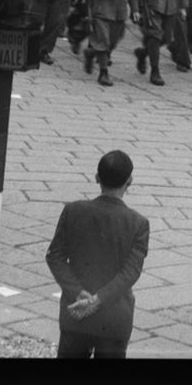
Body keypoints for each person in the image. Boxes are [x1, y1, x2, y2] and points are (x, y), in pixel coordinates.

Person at [47, 150, 151, 359]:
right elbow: (130, 273)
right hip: (114, 317)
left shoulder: (73, 211)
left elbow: (55, 256)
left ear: (97, 178)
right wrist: (98, 300)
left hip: (75, 313)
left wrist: (78, 292)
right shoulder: (138, 224)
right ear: (129, 181)